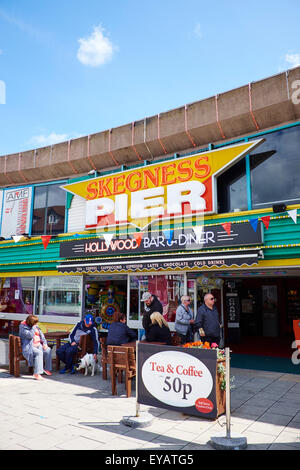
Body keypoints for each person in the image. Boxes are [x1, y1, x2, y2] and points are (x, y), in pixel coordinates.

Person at [19, 314, 52, 380]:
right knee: (39, 353)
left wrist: (45, 344)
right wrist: (34, 327)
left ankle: (46, 369)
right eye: (35, 322)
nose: (37, 324)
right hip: (29, 347)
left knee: (48, 350)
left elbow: (42, 336)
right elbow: (30, 335)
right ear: (31, 323)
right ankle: (37, 373)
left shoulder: (35, 326)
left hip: (38, 345)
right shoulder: (23, 328)